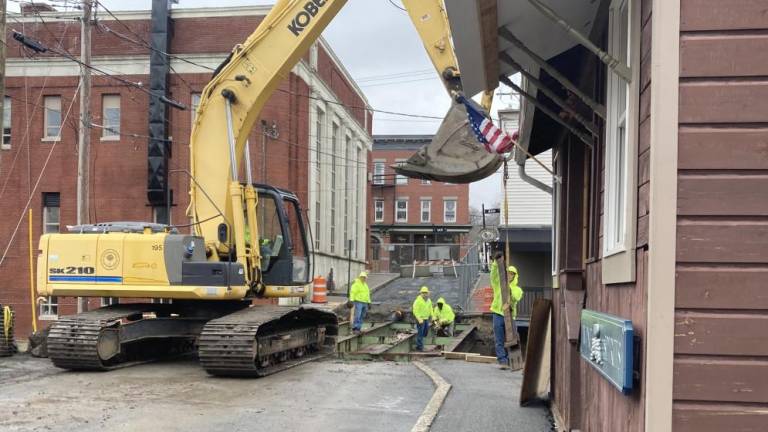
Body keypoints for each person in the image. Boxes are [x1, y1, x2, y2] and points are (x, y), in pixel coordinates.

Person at [490, 255, 524, 369]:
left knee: (512, 339)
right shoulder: (498, 285)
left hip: (510, 316)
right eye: (508, 273)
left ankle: (513, 361)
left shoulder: (517, 289)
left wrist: (509, 289)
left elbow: (515, 298)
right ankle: (503, 361)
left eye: (512, 274)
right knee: (499, 339)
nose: (509, 275)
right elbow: (494, 275)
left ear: (515, 276)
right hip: (498, 314)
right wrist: (496, 262)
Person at [412, 286, 433, 351]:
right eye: (423, 293)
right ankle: (420, 347)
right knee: (420, 333)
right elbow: (415, 311)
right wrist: (419, 319)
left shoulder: (429, 300)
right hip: (420, 319)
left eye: (425, 293)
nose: (424, 294)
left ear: (428, 293)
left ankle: (420, 343)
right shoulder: (417, 301)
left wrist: (432, 316)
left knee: (425, 331)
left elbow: (431, 309)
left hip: (426, 319)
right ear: (421, 293)